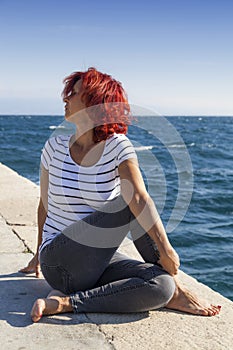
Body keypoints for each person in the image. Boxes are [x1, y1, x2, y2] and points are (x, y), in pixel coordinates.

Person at [20, 67, 221, 322]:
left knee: (161, 286)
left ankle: (64, 303)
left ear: (96, 103)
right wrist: (38, 252)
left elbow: (137, 198)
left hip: (93, 264)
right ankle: (179, 287)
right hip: (58, 260)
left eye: (74, 93)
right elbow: (44, 206)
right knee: (130, 200)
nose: (66, 97)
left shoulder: (117, 145)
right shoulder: (54, 147)